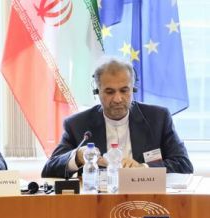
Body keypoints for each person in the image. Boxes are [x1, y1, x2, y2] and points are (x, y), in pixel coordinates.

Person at [41, 57, 193, 178]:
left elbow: (184, 165)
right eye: (109, 92)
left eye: (124, 90)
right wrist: (77, 158)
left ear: (133, 89)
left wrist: (144, 168)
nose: (118, 99)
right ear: (97, 91)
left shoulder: (158, 118)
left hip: (145, 198)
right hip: (98, 201)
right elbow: (49, 170)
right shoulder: (77, 124)